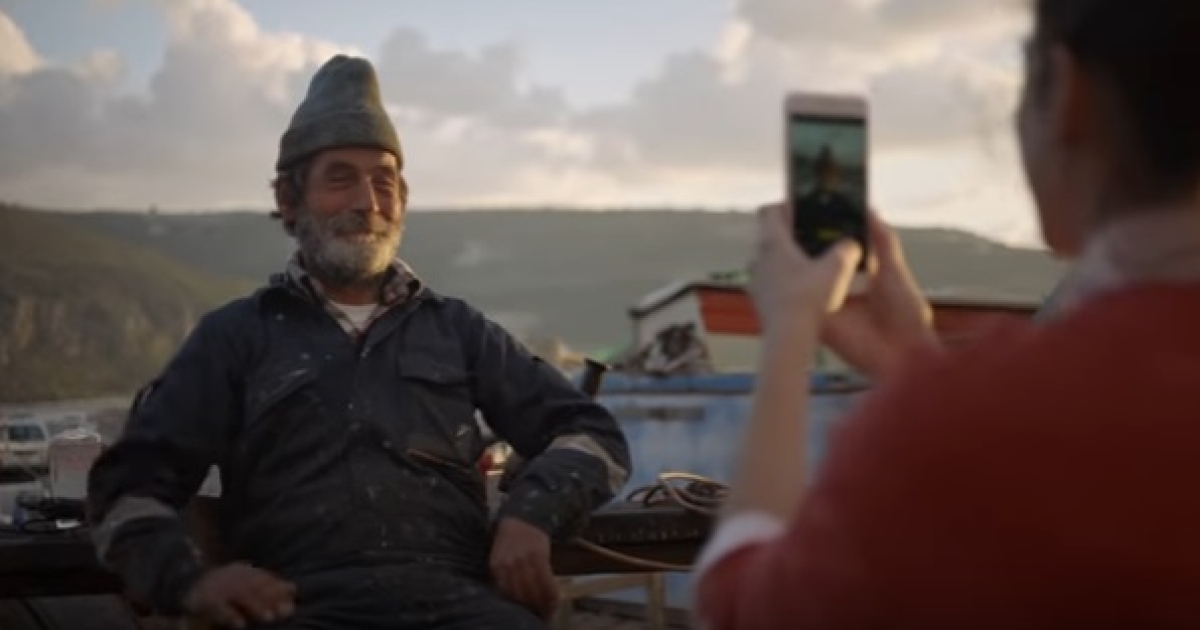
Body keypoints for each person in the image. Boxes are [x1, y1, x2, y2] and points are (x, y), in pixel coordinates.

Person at [693, 0, 1200, 627]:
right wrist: (913, 365)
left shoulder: (971, 415)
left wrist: (790, 329)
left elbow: (745, 604)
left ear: (1070, 97)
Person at [86, 54, 631, 630]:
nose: (367, 202)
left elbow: (593, 435)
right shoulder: (236, 336)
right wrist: (189, 582)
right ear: (289, 200)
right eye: (340, 178)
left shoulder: (457, 329)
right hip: (295, 610)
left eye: (383, 182)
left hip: (458, 606)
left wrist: (532, 514)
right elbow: (126, 488)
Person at [793, 145, 865, 257]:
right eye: (825, 172)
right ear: (818, 174)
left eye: (832, 173)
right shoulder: (804, 204)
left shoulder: (844, 204)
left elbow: (859, 225)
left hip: (836, 252)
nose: (829, 177)